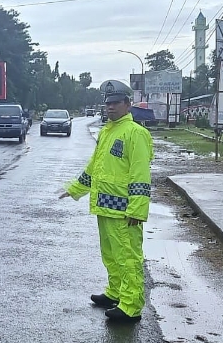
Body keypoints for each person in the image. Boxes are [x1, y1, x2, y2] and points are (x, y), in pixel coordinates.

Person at [59, 79, 154, 323]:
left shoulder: (136, 133)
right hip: (104, 207)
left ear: (128, 104)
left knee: (128, 257)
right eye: (108, 103)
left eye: (116, 103)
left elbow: (140, 175)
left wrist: (137, 210)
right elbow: (95, 168)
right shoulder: (106, 132)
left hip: (125, 212)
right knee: (110, 255)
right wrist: (74, 189)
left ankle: (131, 305)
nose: (110, 107)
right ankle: (115, 293)